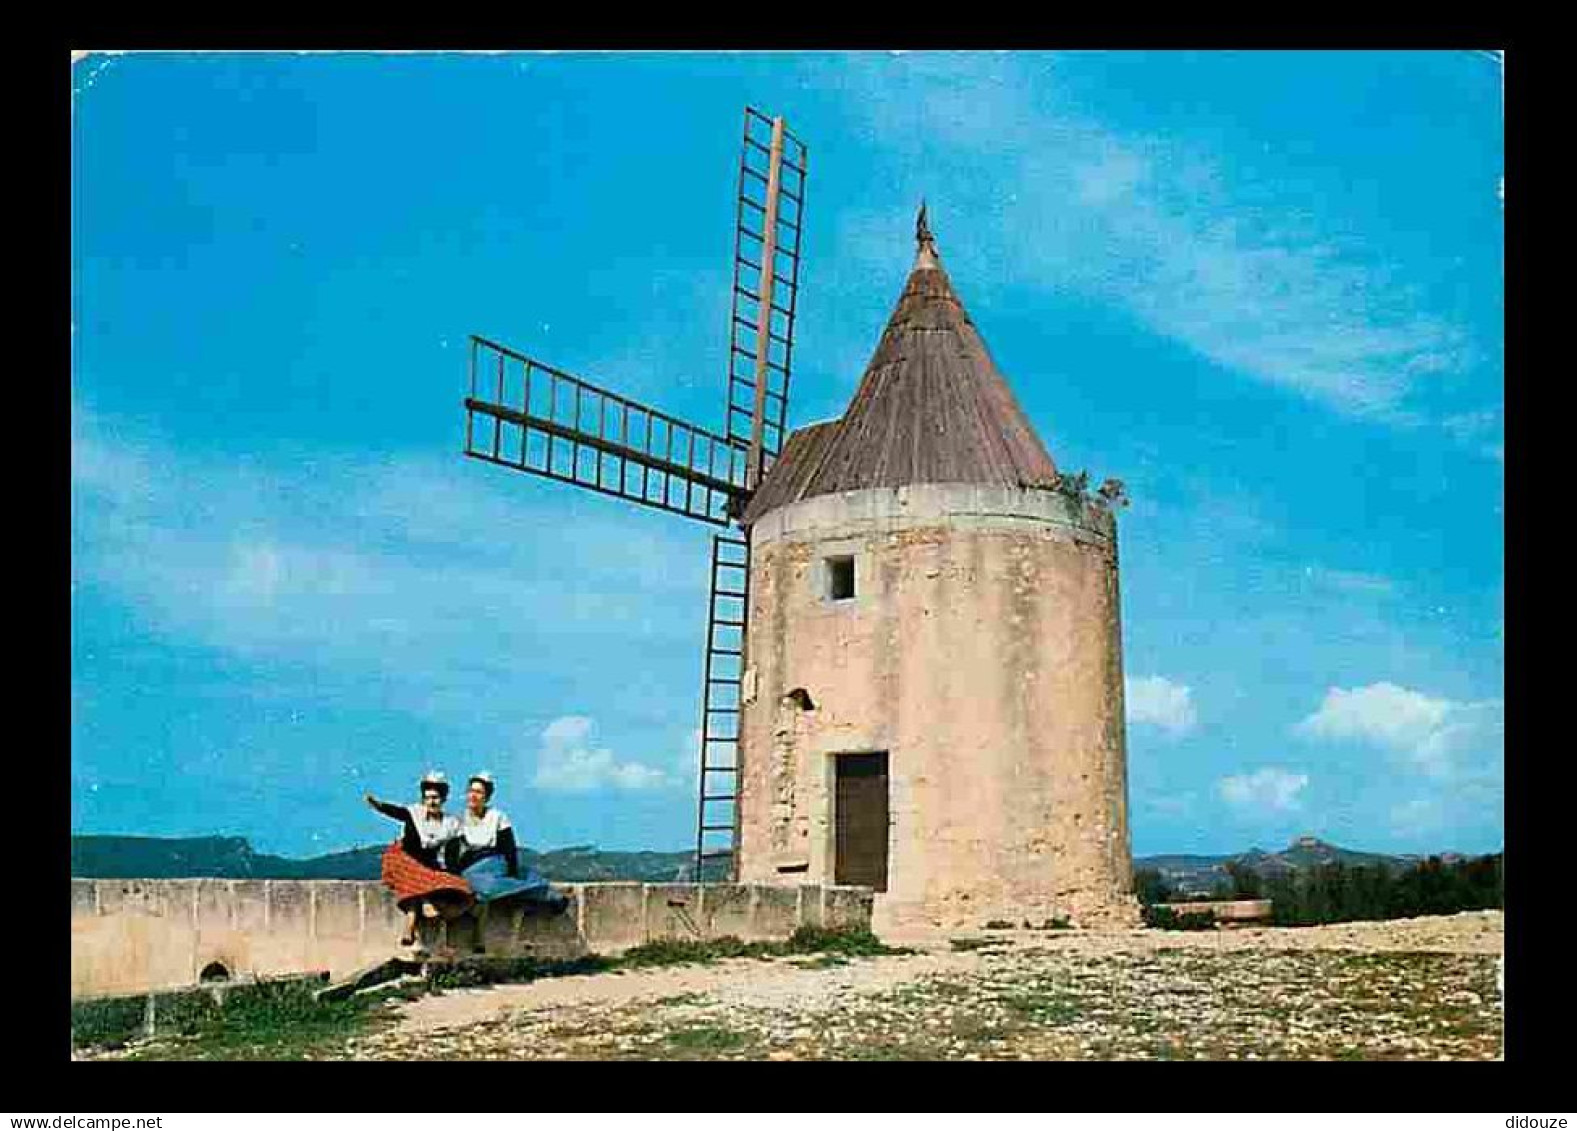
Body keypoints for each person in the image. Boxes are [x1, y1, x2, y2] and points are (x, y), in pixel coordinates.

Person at [447, 771, 568, 953]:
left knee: (509, 884)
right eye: (471, 791)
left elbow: (509, 847)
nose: (473, 795)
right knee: (481, 889)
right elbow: (452, 851)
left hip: (495, 861)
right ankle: (481, 937)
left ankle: (549, 897)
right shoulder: (459, 820)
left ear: (486, 797)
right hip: (473, 866)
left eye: (479, 792)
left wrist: (511, 871)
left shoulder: (497, 817)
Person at [366, 771, 474, 950]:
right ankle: (415, 917)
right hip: (402, 856)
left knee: (454, 885)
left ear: (443, 799)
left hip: (427, 863)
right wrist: (378, 805)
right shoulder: (414, 813)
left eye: (436, 798)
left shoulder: (452, 823)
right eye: (428, 798)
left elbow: (453, 853)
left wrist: (452, 874)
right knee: (413, 874)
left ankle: (412, 920)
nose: (432, 802)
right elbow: (397, 812)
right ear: (423, 799)